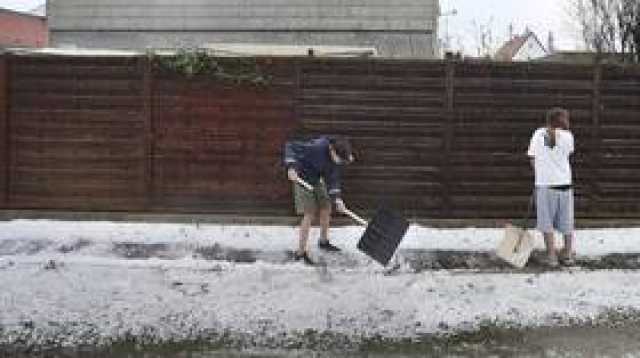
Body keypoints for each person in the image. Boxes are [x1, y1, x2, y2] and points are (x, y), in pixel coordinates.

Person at [283, 136, 355, 265]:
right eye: (339, 159)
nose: (339, 162)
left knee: (326, 207)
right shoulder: (316, 148)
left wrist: (337, 199)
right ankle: (300, 252)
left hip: (317, 179)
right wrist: (291, 167)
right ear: (332, 150)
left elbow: (333, 180)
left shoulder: (336, 159)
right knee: (309, 213)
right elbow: (291, 145)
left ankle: (323, 241)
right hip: (302, 178)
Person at [527, 107, 576, 267]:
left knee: (546, 221)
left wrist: (540, 174)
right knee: (567, 221)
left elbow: (532, 157)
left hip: (545, 184)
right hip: (565, 184)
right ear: (564, 120)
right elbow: (566, 154)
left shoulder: (538, 133)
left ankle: (552, 256)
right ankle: (567, 254)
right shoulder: (569, 137)